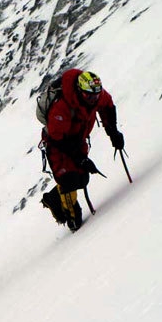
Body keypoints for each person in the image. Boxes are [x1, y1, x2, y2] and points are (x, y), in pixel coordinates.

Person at [40, 69, 125, 231]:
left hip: (77, 140)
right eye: (89, 96)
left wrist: (113, 132)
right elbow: (57, 138)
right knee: (69, 180)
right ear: (79, 91)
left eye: (95, 96)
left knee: (82, 178)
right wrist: (80, 158)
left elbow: (107, 105)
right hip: (57, 147)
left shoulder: (95, 95)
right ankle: (71, 219)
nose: (93, 100)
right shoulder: (62, 107)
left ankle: (54, 198)